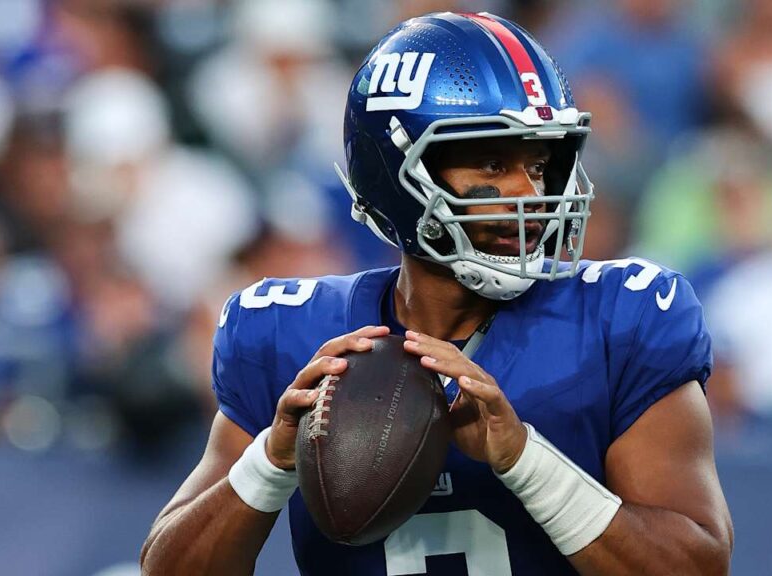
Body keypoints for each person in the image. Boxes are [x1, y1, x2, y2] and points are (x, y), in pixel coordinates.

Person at [140, 12, 732, 576]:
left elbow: (698, 565)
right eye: (493, 163)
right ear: (396, 173)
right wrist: (270, 462)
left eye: (538, 163)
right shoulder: (288, 335)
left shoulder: (621, 318)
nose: (530, 193)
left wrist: (527, 461)